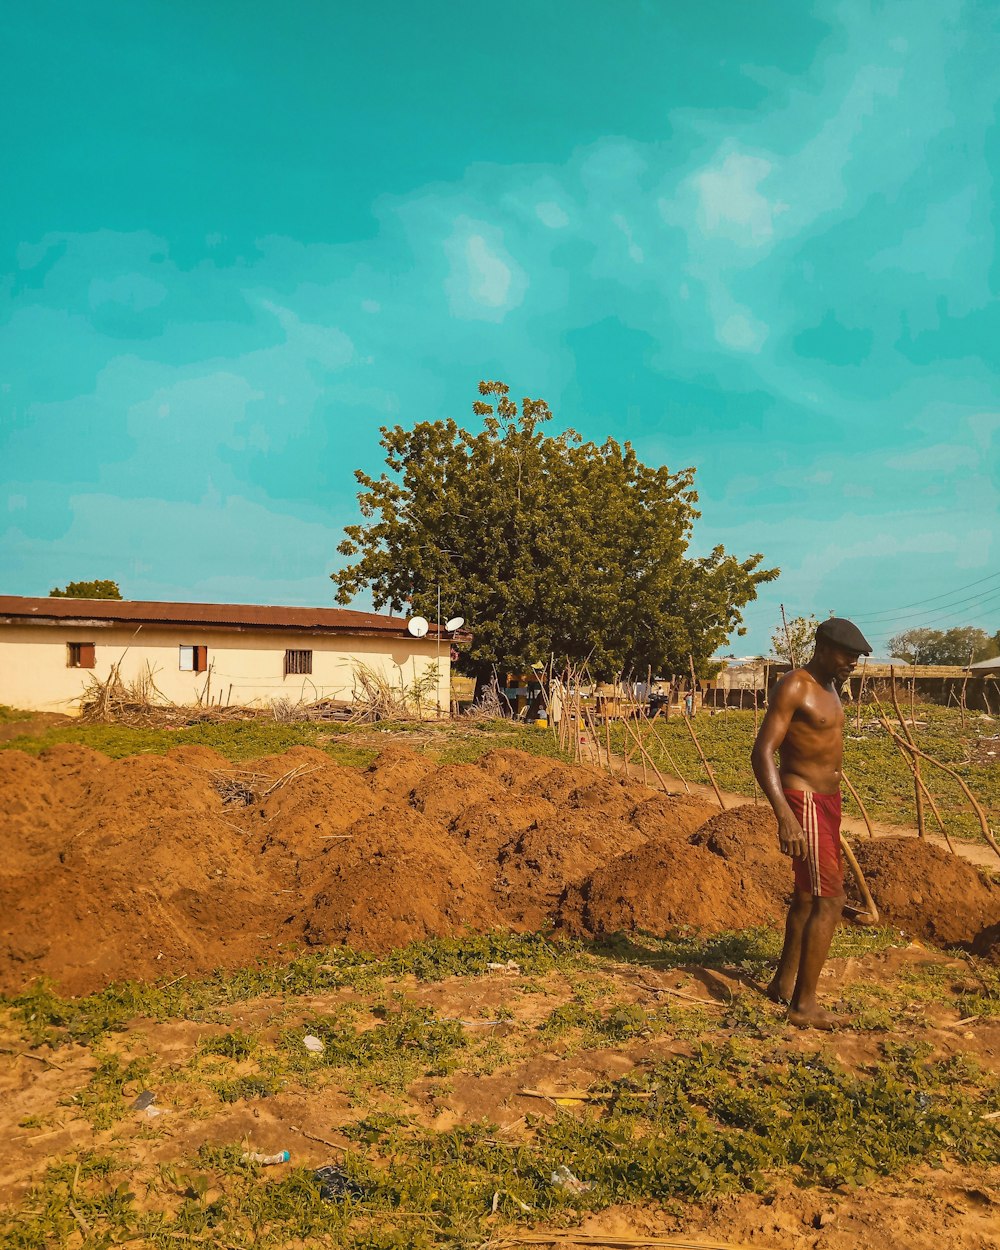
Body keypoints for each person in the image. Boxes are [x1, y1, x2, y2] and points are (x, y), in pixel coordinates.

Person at [750, 617, 872, 1029]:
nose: (853, 664)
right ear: (822, 647)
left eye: (857, 658)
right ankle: (803, 1006)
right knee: (830, 901)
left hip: (827, 800)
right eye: (848, 655)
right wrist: (784, 813)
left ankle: (783, 984)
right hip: (803, 800)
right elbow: (762, 753)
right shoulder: (795, 686)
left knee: (807, 895)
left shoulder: (832, 687)